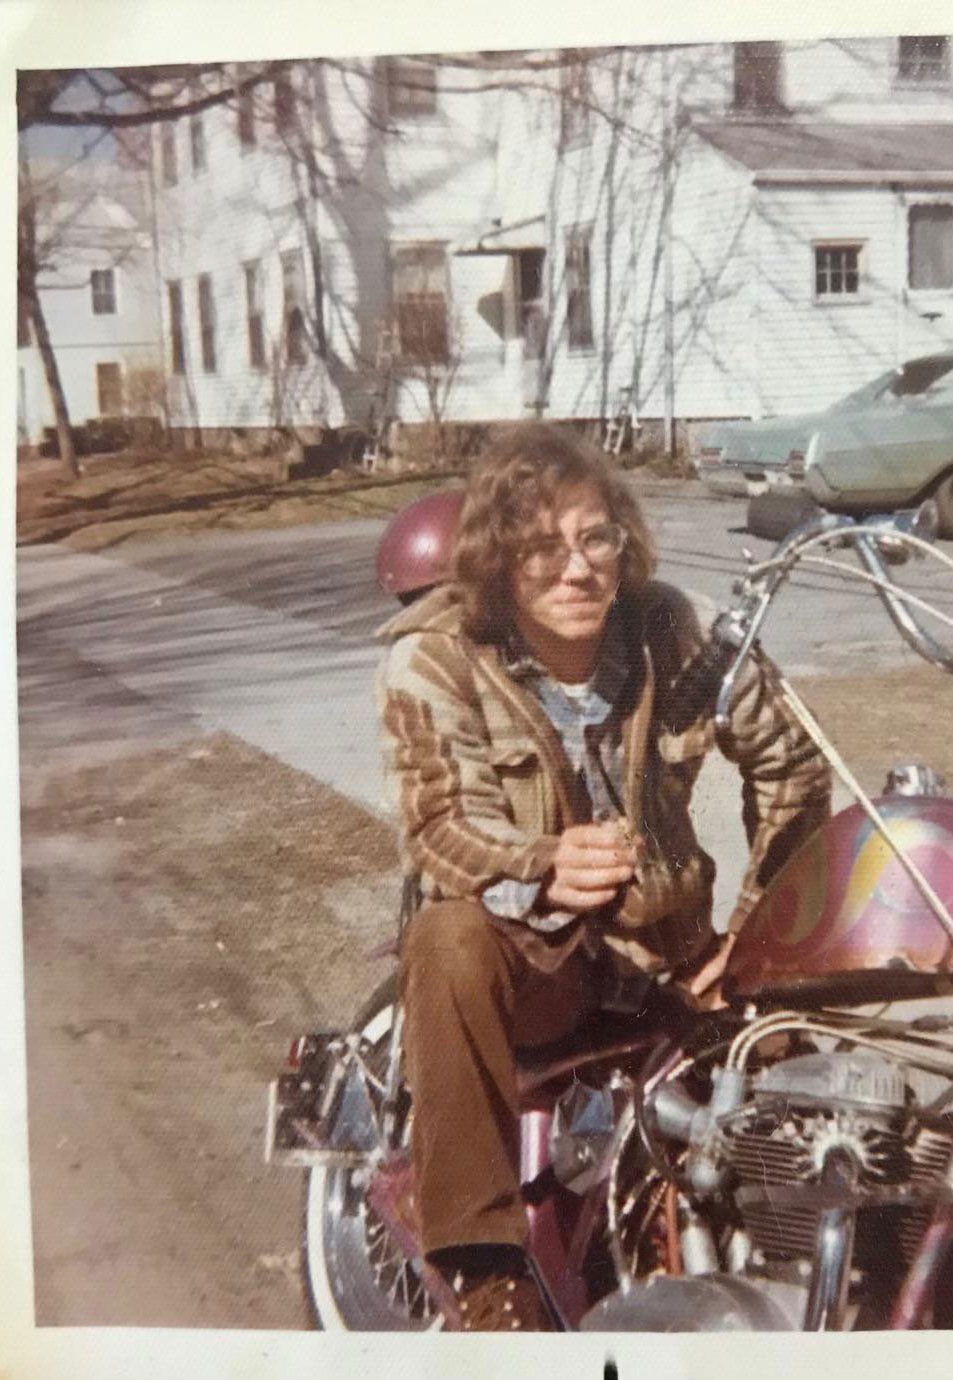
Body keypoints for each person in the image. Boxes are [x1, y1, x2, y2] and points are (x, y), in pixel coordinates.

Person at [375, 423, 831, 1330]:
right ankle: (483, 1268)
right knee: (446, 936)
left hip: (672, 950)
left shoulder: (676, 630)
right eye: (542, 547)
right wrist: (542, 866)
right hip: (533, 965)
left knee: (812, 1072)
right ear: (497, 559)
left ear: (625, 539)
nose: (576, 568)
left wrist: (756, 928)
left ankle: (835, 1265)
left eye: (595, 539)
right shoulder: (437, 658)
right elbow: (438, 829)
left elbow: (794, 766)